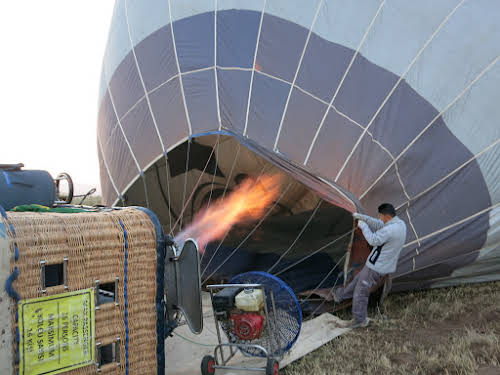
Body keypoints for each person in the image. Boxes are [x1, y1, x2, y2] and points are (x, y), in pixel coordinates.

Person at [333, 203, 407, 328]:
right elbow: (379, 224)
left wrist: (363, 226)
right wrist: (363, 217)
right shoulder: (399, 224)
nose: (379, 218)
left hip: (377, 267)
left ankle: (359, 320)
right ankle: (340, 295)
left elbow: (373, 240)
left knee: (360, 292)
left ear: (387, 216)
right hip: (379, 264)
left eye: (381, 216)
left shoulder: (390, 230)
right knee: (357, 281)